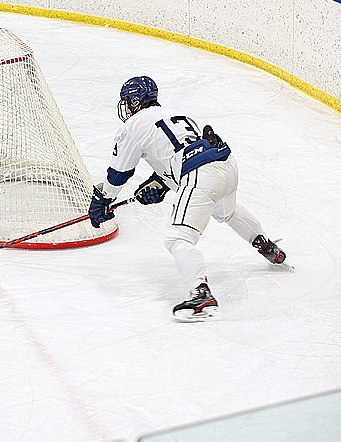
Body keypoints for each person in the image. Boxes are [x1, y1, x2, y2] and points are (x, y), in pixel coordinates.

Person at [88, 76, 288, 322]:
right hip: (226, 165)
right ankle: (266, 245)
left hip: (200, 174)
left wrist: (102, 199)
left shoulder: (132, 126)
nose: (126, 109)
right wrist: (160, 184)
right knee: (226, 211)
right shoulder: (176, 114)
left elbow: (119, 173)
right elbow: (178, 154)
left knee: (177, 239)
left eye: (128, 103)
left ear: (135, 102)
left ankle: (201, 296)